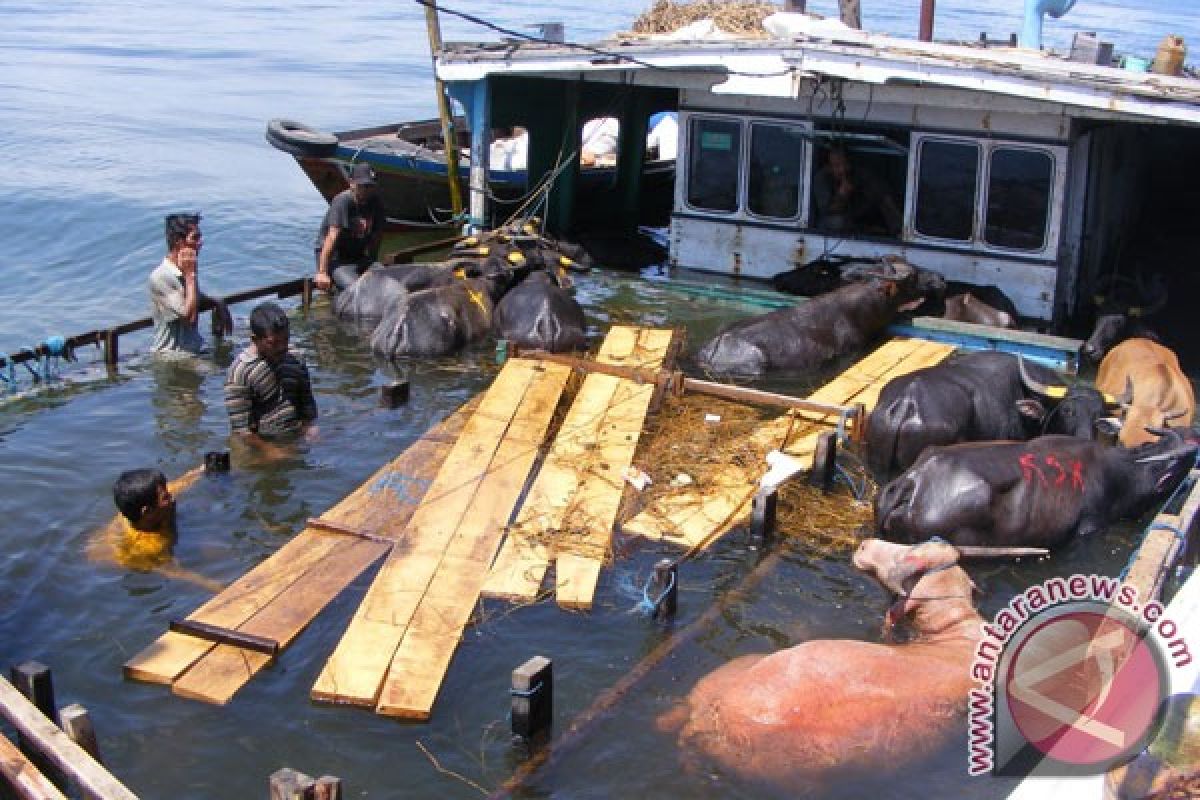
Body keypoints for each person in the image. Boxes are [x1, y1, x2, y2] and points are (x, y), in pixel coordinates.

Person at [87, 466, 222, 591]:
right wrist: (214, 585)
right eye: (166, 497)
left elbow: (175, 487)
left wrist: (201, 470)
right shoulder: (149, 547)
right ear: (147, 511)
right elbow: (176, 572)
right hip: (124, 559)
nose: (172, 497)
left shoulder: (130, 512)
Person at [224, 302, 317, 457]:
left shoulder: (295, 358)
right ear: (255, 339)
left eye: (286, 340)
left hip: (293, 436)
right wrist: (269, 450)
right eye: (273, 343)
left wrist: (310, 427)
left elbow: (307, 403)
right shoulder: (240, 373)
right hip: (261, 443)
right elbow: (242, 430)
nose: (282, 347)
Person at [147, 213, 233, 353]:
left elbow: (194, 298)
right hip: (172, 356)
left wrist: (218, 302)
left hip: (193, 349)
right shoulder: (161, 276)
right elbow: (190, 318)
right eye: (195, 238)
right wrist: (190, 276)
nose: (200, 242)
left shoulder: (186, 268)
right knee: (223, 371)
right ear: (178, 241)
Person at [313, 163, 387, 292]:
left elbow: (377, 235)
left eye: (371, 186)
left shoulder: (376, 201)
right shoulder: (342, 201)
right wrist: (322, 272)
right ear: (352, 183)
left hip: (358, 256)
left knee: (386, 280)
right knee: (357, 289)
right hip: (336, 259)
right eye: (363, 186)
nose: (367, 190)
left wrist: (372, 260)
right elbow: (332, 236)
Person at [811, 146, 903, 235]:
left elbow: (882, 191)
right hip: (832, 218)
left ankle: (898, 232)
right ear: (828, 167)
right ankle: (868, 230)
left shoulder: (858, 173)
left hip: (857, 212)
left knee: (885, 199)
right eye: (837, 166)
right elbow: (829, 210)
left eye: (845, 164)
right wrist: (842, 195)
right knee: (838, 222)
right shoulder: (821, 179)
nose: (842, 169)